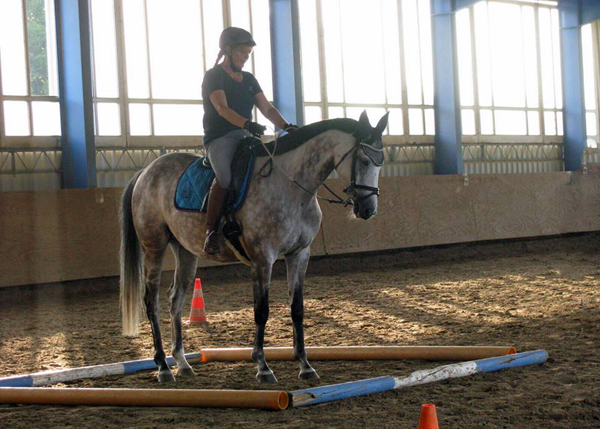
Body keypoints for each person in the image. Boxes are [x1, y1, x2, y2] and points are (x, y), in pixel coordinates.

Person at [202, 27, 297, 254]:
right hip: (220, 138)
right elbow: (222, 108)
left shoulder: (249, 79)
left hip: (246, 136)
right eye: (242, 53)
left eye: (248, 54)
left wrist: (286, 126)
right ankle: (211, 231)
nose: (245, 58)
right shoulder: (214, 76)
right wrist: (246, 123)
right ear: (228, 50)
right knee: (224, 176)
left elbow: (267, 107)